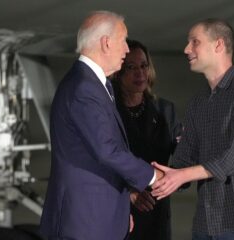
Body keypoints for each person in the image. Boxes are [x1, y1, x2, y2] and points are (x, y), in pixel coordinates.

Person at [39, 11, 162, 240]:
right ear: (106, 43)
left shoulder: (95, 84)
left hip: (96, 218)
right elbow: (107, 150)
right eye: (123, 41)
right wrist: (155, 176)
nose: (127, 50)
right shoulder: (84, 88)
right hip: (84, 223)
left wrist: (119, 208)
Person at [151, 18, 234, 240]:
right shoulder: (199, 102)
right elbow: (183, 158)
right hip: (206, 224)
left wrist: (181, 175)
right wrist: (151, 177)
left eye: (194, 42)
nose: (186, 49)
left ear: (218, 45)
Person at [112, 39, 181, 240]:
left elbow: (183, 155)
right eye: (131, 67)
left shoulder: (165, 110)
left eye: (143, 66)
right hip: (121, 211)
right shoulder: (109, 112)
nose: (140, 73)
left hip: (156, 210)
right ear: (118, 71)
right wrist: (128, 193)